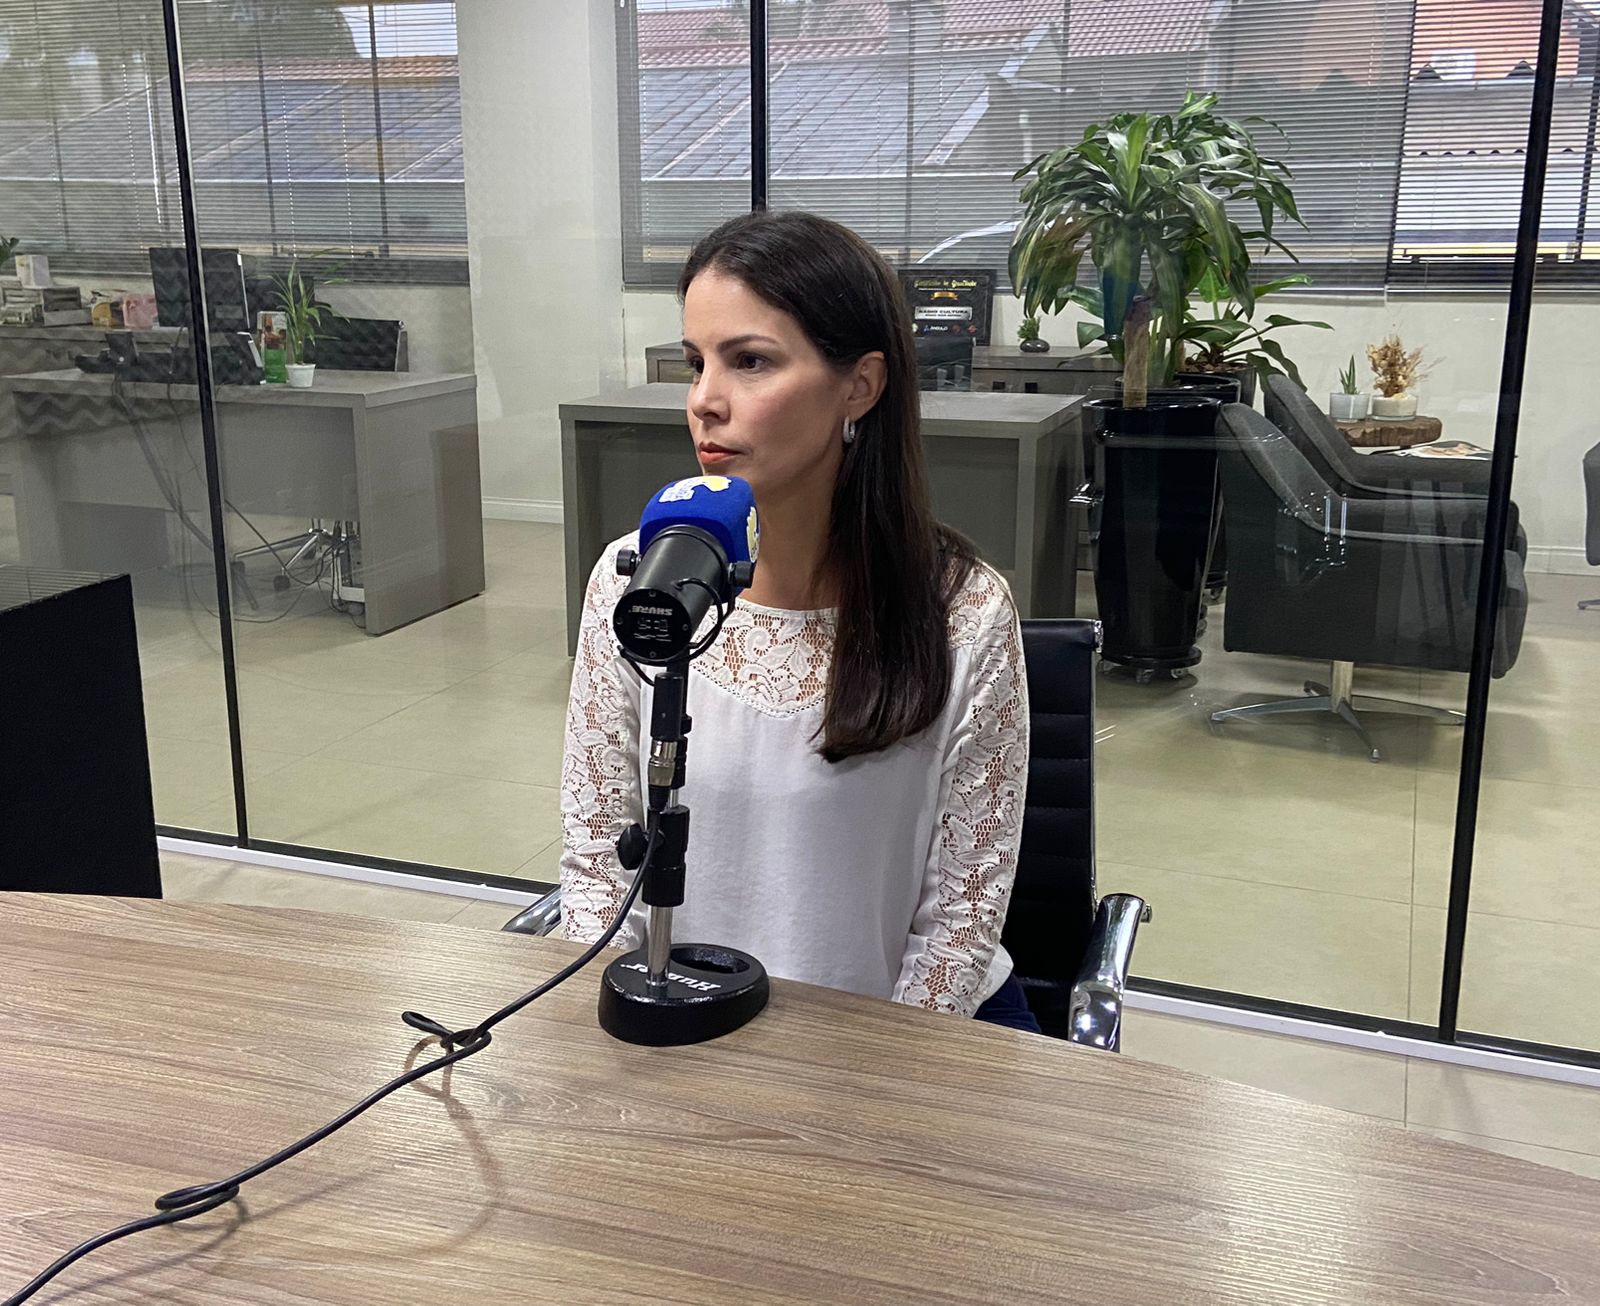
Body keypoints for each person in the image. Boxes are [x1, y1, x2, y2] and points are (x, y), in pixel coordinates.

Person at [559, 210, 1034, 1031]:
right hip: (684, 1024)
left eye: (750, 362)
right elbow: (600, 864)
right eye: (696, 362)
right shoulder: (634, 582)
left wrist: (859, 1085)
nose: (704, 401)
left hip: (886, 1046)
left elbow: (958, 926)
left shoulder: (963, 613)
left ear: (860, 386)